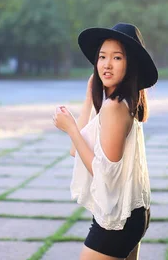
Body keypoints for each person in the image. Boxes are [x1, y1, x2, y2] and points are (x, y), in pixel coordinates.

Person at [52, 22, 158, 260]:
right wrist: (90, 94)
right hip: (129, 212)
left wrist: (70, 128)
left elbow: (103, 174)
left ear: (130, 64)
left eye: (117, 57)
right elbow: (75, 151)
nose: (107, 64)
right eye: (102, 57)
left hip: (117, 222)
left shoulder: (115, 107)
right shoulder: (121, 103)